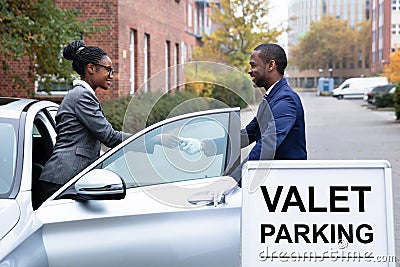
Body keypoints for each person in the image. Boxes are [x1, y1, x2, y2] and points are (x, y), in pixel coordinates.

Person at [35, 40, 177, 208]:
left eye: (112, 70)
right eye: (108, 69)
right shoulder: (82, 96)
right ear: (91, 68)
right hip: (62, 181)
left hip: (65, 178)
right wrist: (154, 138)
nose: (111, 75)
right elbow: (109, 136)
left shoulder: (81, 95)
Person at [180, 43, 307, 182]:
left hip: (287, 184)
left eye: (253, 65)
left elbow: (268, 145)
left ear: (271, 65)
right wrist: (202, 145)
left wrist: (234, 179)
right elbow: (248, 134)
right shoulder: (272, 98)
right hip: (273, 182)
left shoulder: (286, 100)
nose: (249, 70)